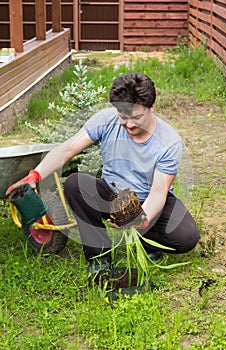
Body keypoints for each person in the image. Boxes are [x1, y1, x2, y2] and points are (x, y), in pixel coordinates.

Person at [6, 73, 200, 272]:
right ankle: (99, 257)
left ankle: (146, 241)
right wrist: (36, 174)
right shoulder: (106, 120)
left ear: (151, 108)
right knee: (75, 184)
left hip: (148, 199)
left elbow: (159, 192)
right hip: (112, 195)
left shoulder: (168, 141)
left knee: (186, 237)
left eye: (137, 117)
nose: (130, 124)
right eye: (123, 117)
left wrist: (142, 219)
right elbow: (67, 149)